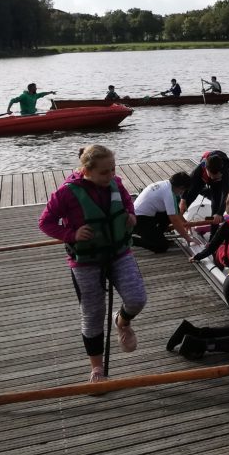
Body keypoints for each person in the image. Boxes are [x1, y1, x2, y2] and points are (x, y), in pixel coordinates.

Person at [38, 145, 146, 383]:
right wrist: (72, 234)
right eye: (104, 173)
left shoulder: (116, 183)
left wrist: (131, 216)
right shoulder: (66, 193)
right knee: (93, 313)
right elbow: (45, 223)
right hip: (86, 261)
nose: (110, 176)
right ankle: (97, 369)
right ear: (87, 171)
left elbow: (128, 204)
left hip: (119, 252)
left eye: (112, 170)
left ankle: (122, 321)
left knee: (137, 298)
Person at [132, 171, 194, 252]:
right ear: (181, 187)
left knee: (168, 215)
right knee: (162, 246)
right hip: (138, 221)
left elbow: (176, 212)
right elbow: (174, 220)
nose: (182, 193)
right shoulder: (169, 194)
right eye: (183, 190)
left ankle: (157, 235)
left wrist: (185, 223)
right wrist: (188, 238)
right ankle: (131, 240)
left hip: (145, 215)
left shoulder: (166, 184)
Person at [178, 150, 229, 224]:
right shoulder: (201, 167)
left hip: (217, 183)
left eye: (215, 177)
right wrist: (183, 199)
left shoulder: (224, 170)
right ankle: (177, 218)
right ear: (206, 169)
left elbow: (225, 192)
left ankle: (213, 233)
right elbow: (188, 182)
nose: (212, 177)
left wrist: (219, 213)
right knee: (190, 195)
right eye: (210, 175)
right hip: (202, 179)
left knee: (216, 206)